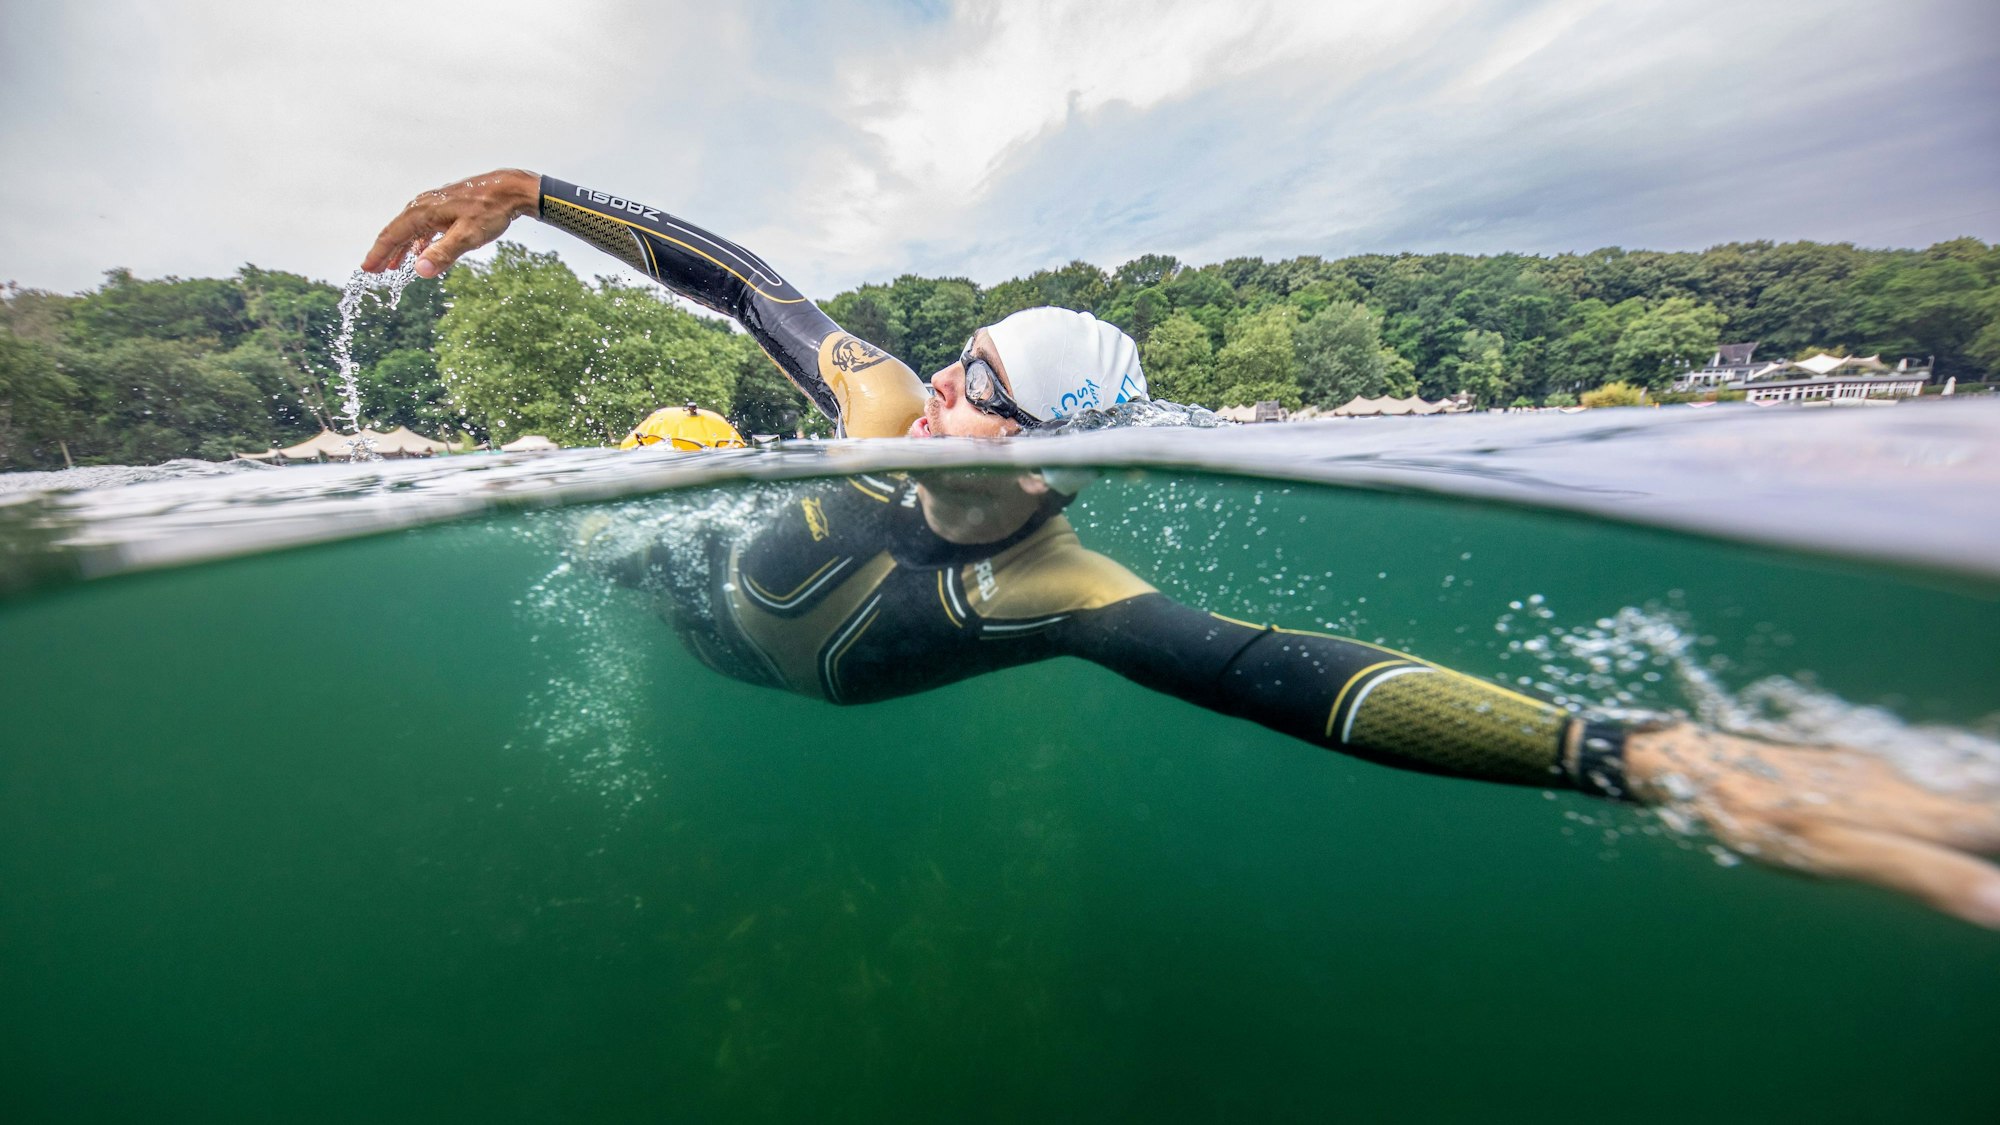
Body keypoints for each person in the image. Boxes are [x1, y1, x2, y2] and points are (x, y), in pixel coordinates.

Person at [364, 170, 2000, 928]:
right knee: (631, 504)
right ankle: (655, 469)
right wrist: (541, 192)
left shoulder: (1056, 591)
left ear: (1060, 456)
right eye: (953, 359)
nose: (935, 390)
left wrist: (1622, 752)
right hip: (691, 565)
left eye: (980, 390)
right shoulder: (874, 394)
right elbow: (740, 279)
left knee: (668, 501)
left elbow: (1305, 683)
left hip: (748, 649)